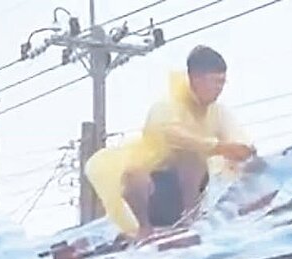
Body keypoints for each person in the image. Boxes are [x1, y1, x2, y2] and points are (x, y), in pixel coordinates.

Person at [85, 45, 255, 238]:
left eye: (222, 82)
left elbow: (239, 140)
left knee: (195, 159)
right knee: (136, 173)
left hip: (189, 192)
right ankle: (145, 228)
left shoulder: (218, 112)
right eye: (215, 82)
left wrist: (242, 151)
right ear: (196, 79)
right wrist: (218, 147)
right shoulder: (166, 106)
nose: (219, 88)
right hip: (155, 189)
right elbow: (173, 135)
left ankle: (191, 219)